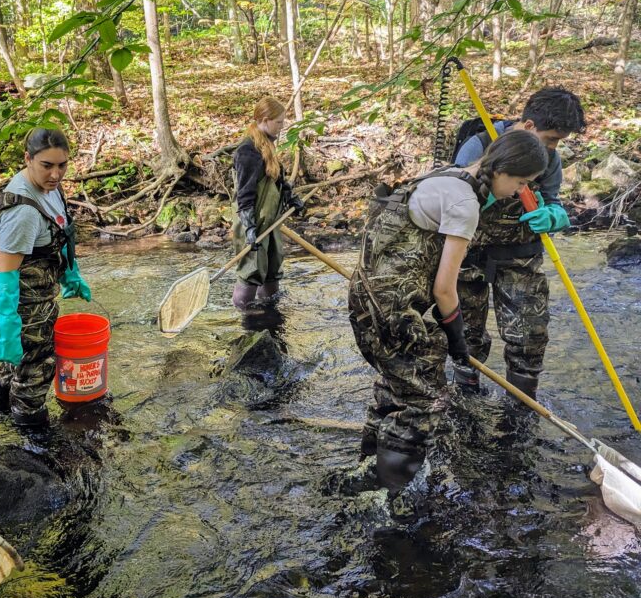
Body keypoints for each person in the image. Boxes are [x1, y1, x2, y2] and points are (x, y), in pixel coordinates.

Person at [348, 130, 549, 490]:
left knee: (397, 385)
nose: (520, 191)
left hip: (367, 298)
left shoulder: (444, 175)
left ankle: (366, 476)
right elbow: (444, 288)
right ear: (501, 170)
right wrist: (457, 340)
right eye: (521, 182)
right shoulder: (465, 204)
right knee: (423, 400)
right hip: (394, 309)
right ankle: (393, 501)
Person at [452, 87, 586, 398]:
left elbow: (553, 199)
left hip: (522, 256)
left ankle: (521, 412)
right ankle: (465, 404)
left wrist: (553, 215)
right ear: (528, 127)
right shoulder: (479, 145)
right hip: (469, 255)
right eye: (550, 138)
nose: (553, 147)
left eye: (558, 142)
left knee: (529, 338)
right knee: (467, 338)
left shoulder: (550, 159)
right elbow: (454, 198)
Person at [0, 128, 91, 429]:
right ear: (28, 159)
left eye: (62, 165)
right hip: (20, 303)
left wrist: (71, 272)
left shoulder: (49, 188)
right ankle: (35, 442)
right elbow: (4, 273)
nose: (56, 174)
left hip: (39, 293)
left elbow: (61, 229)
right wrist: (6, 328)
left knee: (13, 365)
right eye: (46, 165)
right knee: (37, 369)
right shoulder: (22, 212)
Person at [231, 96, 305, 310]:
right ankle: (247, 322)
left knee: (272, 271)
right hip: (254, 225)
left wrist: (292, 199)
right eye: (279, 122)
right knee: (251, 273)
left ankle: (270, 317)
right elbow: (244, 196)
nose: (282, 127)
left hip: (270, 222)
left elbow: (278, 180)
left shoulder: (268, 145)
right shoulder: (247, 151)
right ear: (265, 120)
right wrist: (250, 228)